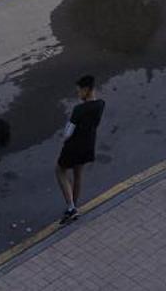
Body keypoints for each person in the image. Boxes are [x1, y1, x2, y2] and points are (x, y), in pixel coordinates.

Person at [55, 76, 105, 223]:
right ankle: (73, 205)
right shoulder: (101, 104)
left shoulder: (79, 109)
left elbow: (67, 133)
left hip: (73, 147)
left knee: (59, 170)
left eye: (79, 91)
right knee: (78, 174)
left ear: (86, 90)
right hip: (88, 145)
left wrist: (63, 139)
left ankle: (71, 208)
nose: (78, 94)